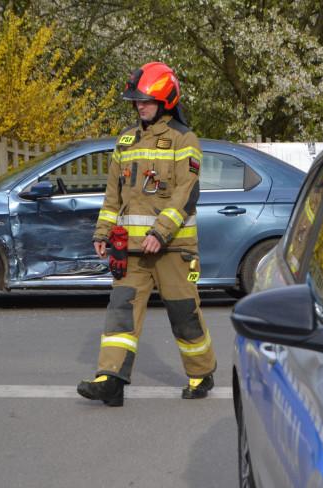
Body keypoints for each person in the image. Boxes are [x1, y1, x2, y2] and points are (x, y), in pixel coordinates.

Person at [77, 62, 216, 407]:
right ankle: (111, 380)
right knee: (120, 311)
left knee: (183, 313)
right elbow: (114, 193)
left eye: (146, 100)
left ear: (166, 100)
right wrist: (103, 231)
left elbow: (187, 193)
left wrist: (162, 232)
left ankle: (202, 372)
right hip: (132, 251)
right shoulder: (126, 140)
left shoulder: (185, 140)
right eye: (136, 101)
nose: (140, 106)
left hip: (172, 248)